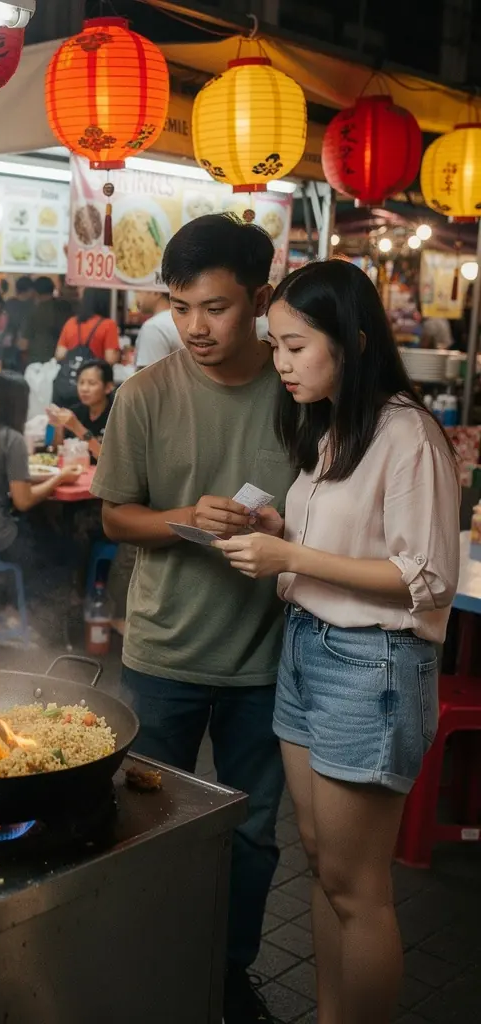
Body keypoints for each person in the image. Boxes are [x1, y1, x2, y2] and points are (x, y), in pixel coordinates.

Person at [216, 260, 460, 1024]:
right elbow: (348, 545)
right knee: (323, 866)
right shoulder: (332, 428)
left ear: (351, 342)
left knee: (359, 888)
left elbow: (424, 577)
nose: (280, 363)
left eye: (294, 346)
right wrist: (280, 532)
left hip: (373, 666)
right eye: (275, 345)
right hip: (307, 649)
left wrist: (290, 558)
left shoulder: (406, 432)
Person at [91, 214, 299, 1023]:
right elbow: (114, 519)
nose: (194, 328)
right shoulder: (144, 395)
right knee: (146, 825)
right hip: (163, 655)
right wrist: (186, 515)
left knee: (250, 836)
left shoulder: (297, 392)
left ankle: (226, 974)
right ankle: (145, 967)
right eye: (179, 307)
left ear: (260, 299)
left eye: (213, 308)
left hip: (266, 660)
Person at [0, 372, 80, 637]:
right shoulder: (11, 439)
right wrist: (59, 478)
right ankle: (38, 624)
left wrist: (41, 477)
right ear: (17, 404)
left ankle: (4, 609)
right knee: (59, 552)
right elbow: (23, 501)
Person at [46, 358, 114, 463]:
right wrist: (58, 427)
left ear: (108, 387)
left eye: (91, 383)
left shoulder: (117, 415)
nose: (84, 389)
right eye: (81, 382)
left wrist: (77, 427)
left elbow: (110, 462)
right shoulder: (76, 411)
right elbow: (56, 453)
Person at [55, 288, 121, 365]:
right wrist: (118, 353)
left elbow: (59, 354)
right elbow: (110, 359)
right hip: (95, 374)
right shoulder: (109, 325)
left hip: (72, 374)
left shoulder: (71, 322)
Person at [19, 276, 74, 366]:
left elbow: (24, 344)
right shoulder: (65, 308)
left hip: (37, 360)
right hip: (60, 358)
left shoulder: (33, 312)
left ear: (36, 292)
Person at [0, 276, 34, 371]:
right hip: (25, 353)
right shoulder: (32, 307)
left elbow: (0, 327)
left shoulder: (8, 305)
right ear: (30, 290)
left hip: (7, 350)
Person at [134, 290, 182, 367]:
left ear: (155, 292)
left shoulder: (154, 327)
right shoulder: (182, 318)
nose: (136, 297)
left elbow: (149, 375)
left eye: (139, 291)